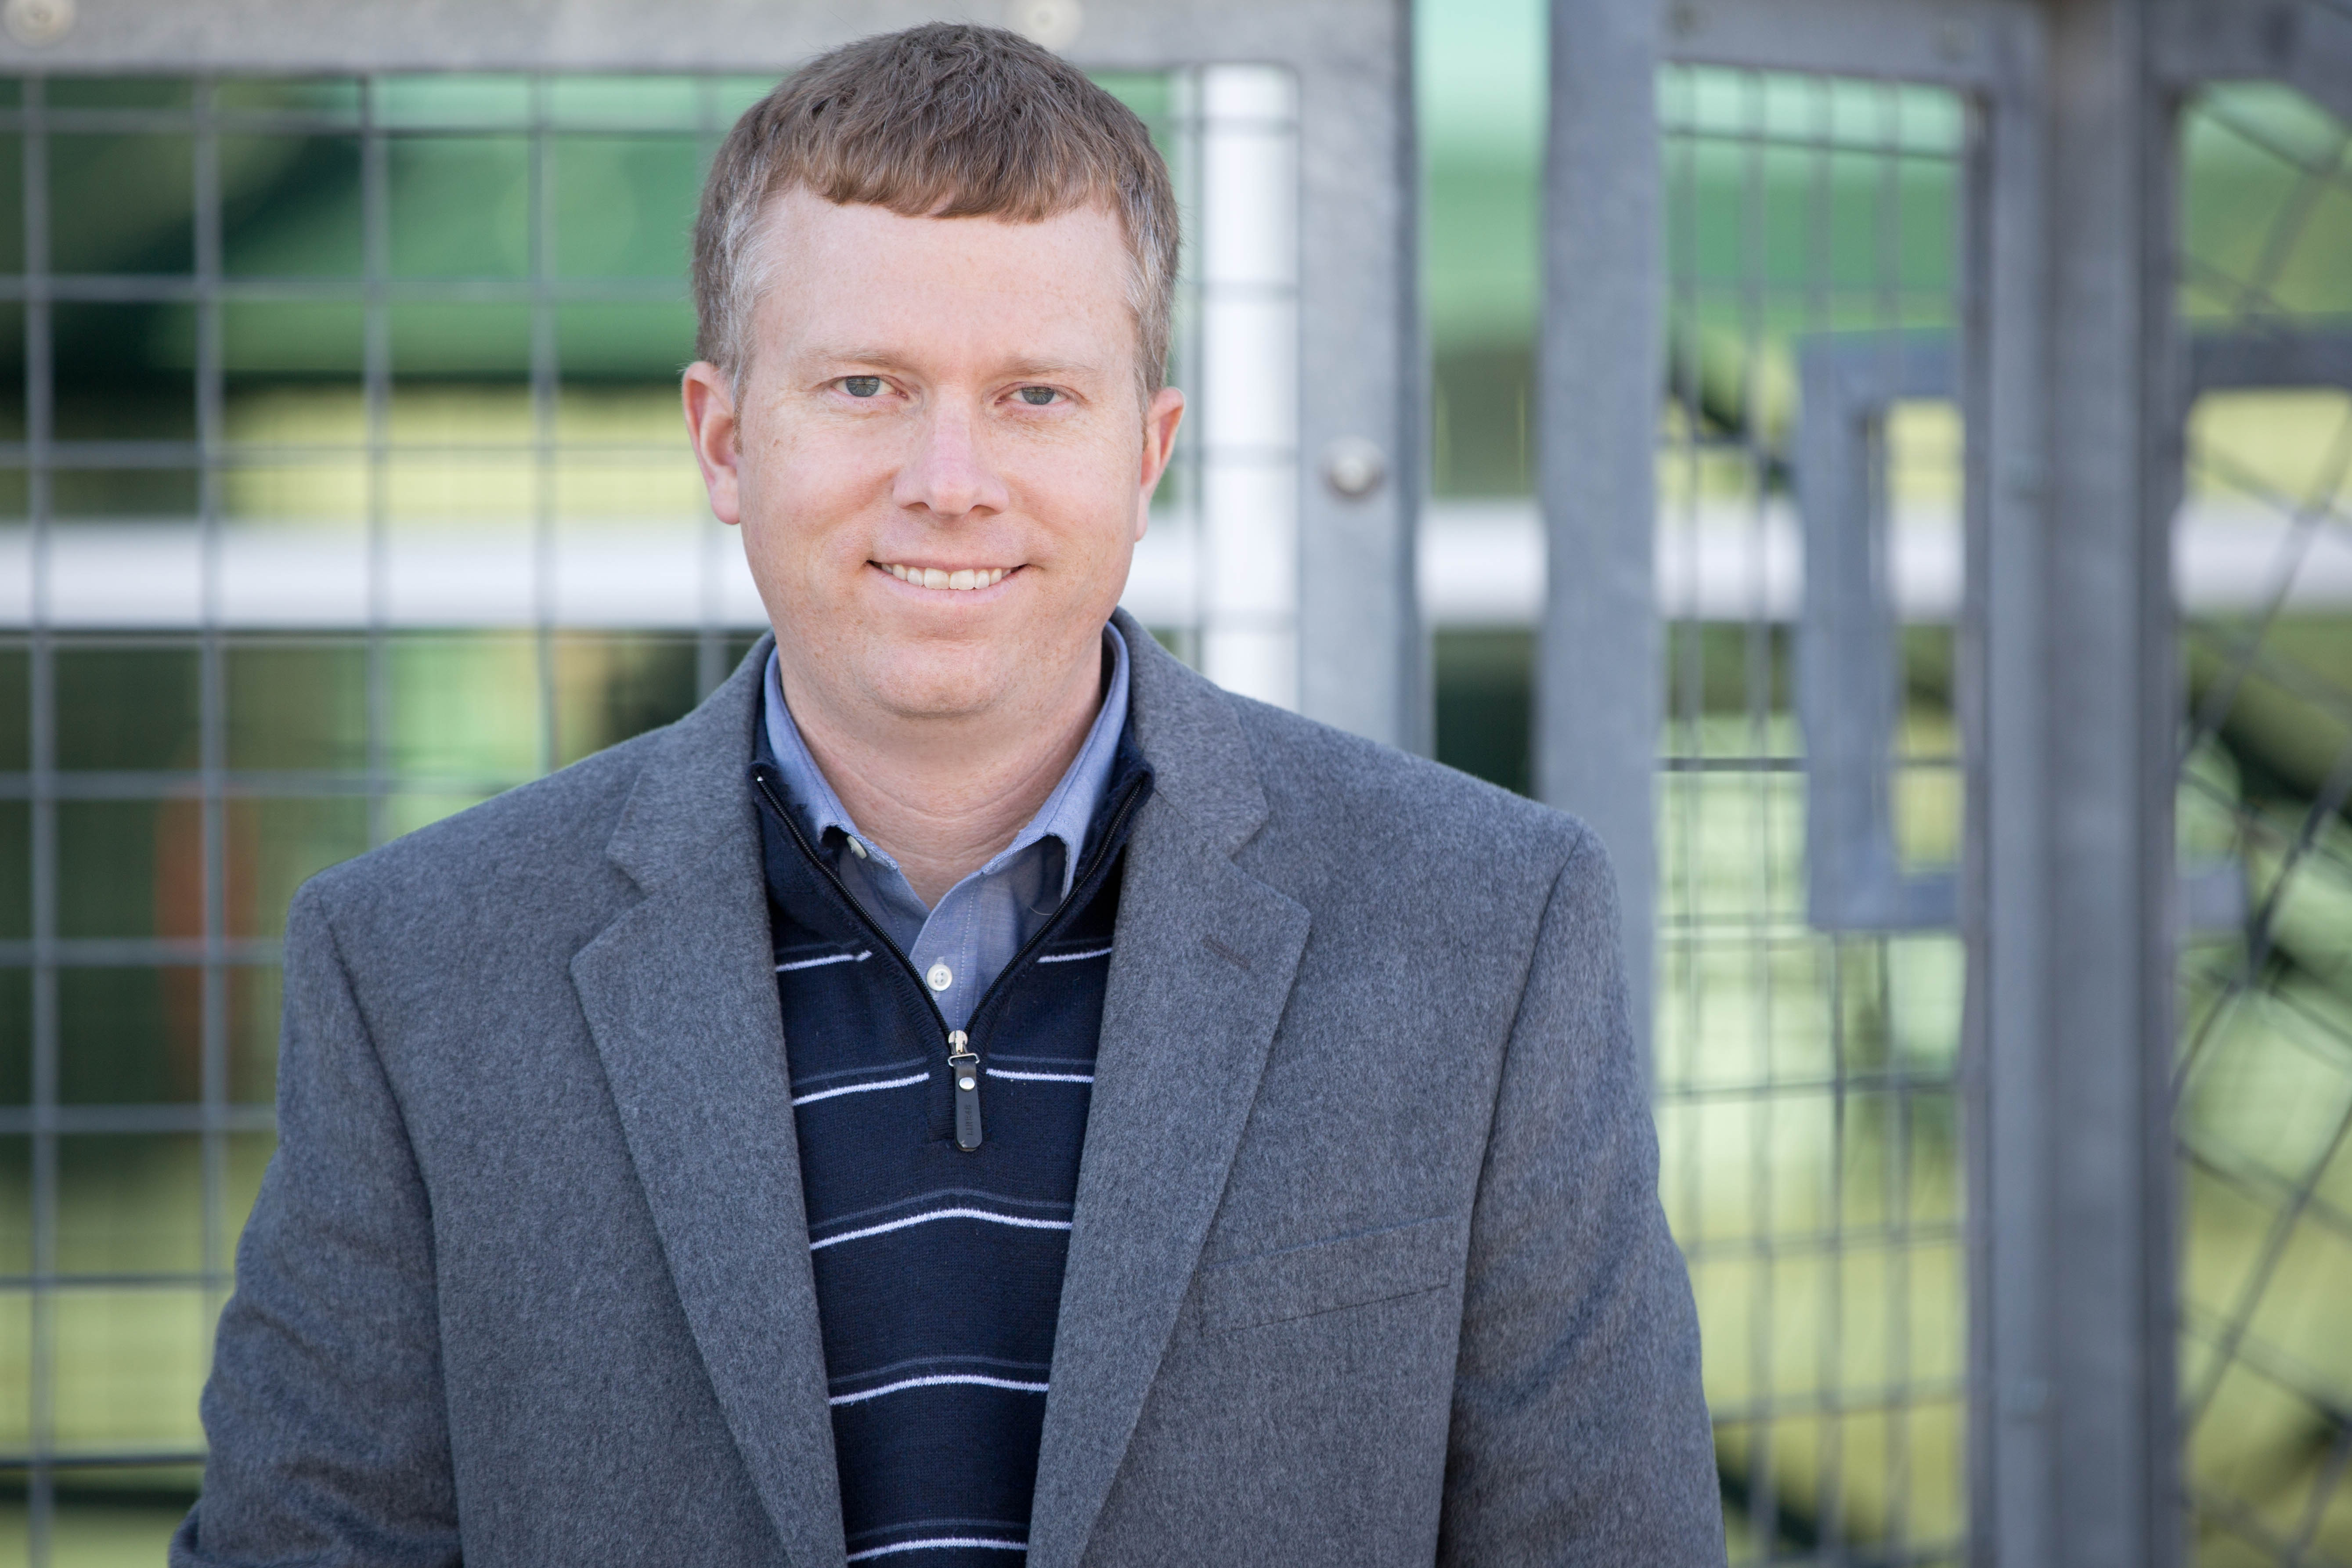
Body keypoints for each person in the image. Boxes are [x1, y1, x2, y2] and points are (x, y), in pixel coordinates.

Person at [173, 23, 1721, 1567]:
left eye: (1038, 395)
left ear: (1147, 448)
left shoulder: (1481, 926)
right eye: (864, 385)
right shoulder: (422, 965)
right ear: (723, 438)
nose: (950, 477)